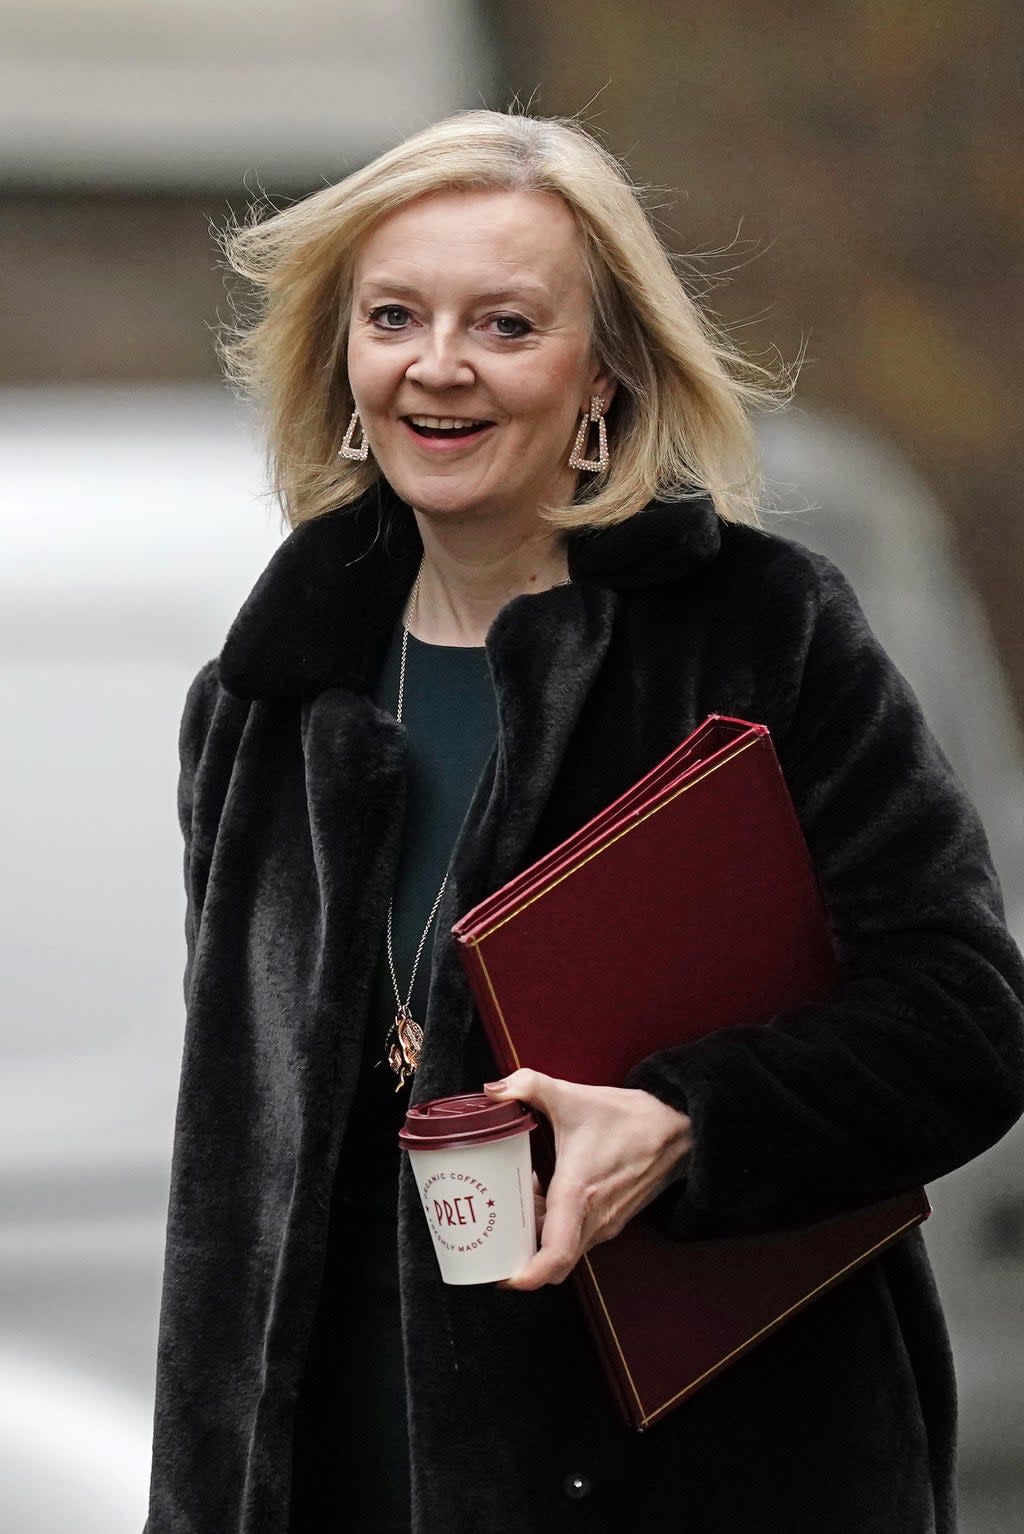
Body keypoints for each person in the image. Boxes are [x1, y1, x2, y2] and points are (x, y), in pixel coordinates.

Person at [144, 110, 1024, 1534]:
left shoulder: (759, 633)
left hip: (706, 1476)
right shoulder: (263, 700)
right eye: (394, 316)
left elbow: (969, 1021)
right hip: (346, 1483)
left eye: (505, 323)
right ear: (345, 361)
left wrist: (688, 1115)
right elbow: (230, 1192)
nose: (440, 365)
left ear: (603, 373)